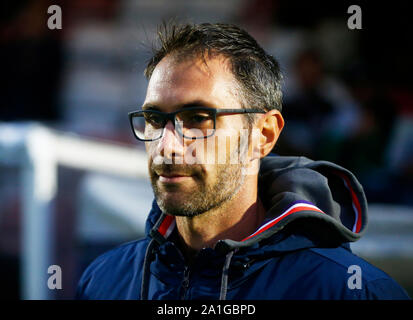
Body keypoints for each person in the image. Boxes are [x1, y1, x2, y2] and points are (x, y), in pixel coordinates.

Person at [76, 22, 410, 300]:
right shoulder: (103, 282)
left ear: (263, 135)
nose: (168, 145)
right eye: (154, 118)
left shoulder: (353, 291)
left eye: (197, 118)